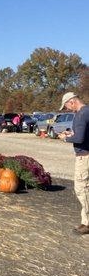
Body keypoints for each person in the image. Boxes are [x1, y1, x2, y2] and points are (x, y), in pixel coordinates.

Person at [58, 92, 89, 235]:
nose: (67, 110)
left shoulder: (81, 114)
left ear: (72, 101)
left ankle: (87, 223)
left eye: (66, 107)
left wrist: (65, 137)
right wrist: (72, 134)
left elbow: (80, 138)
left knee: (81, 189)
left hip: (84, 157)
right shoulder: (87, 111)